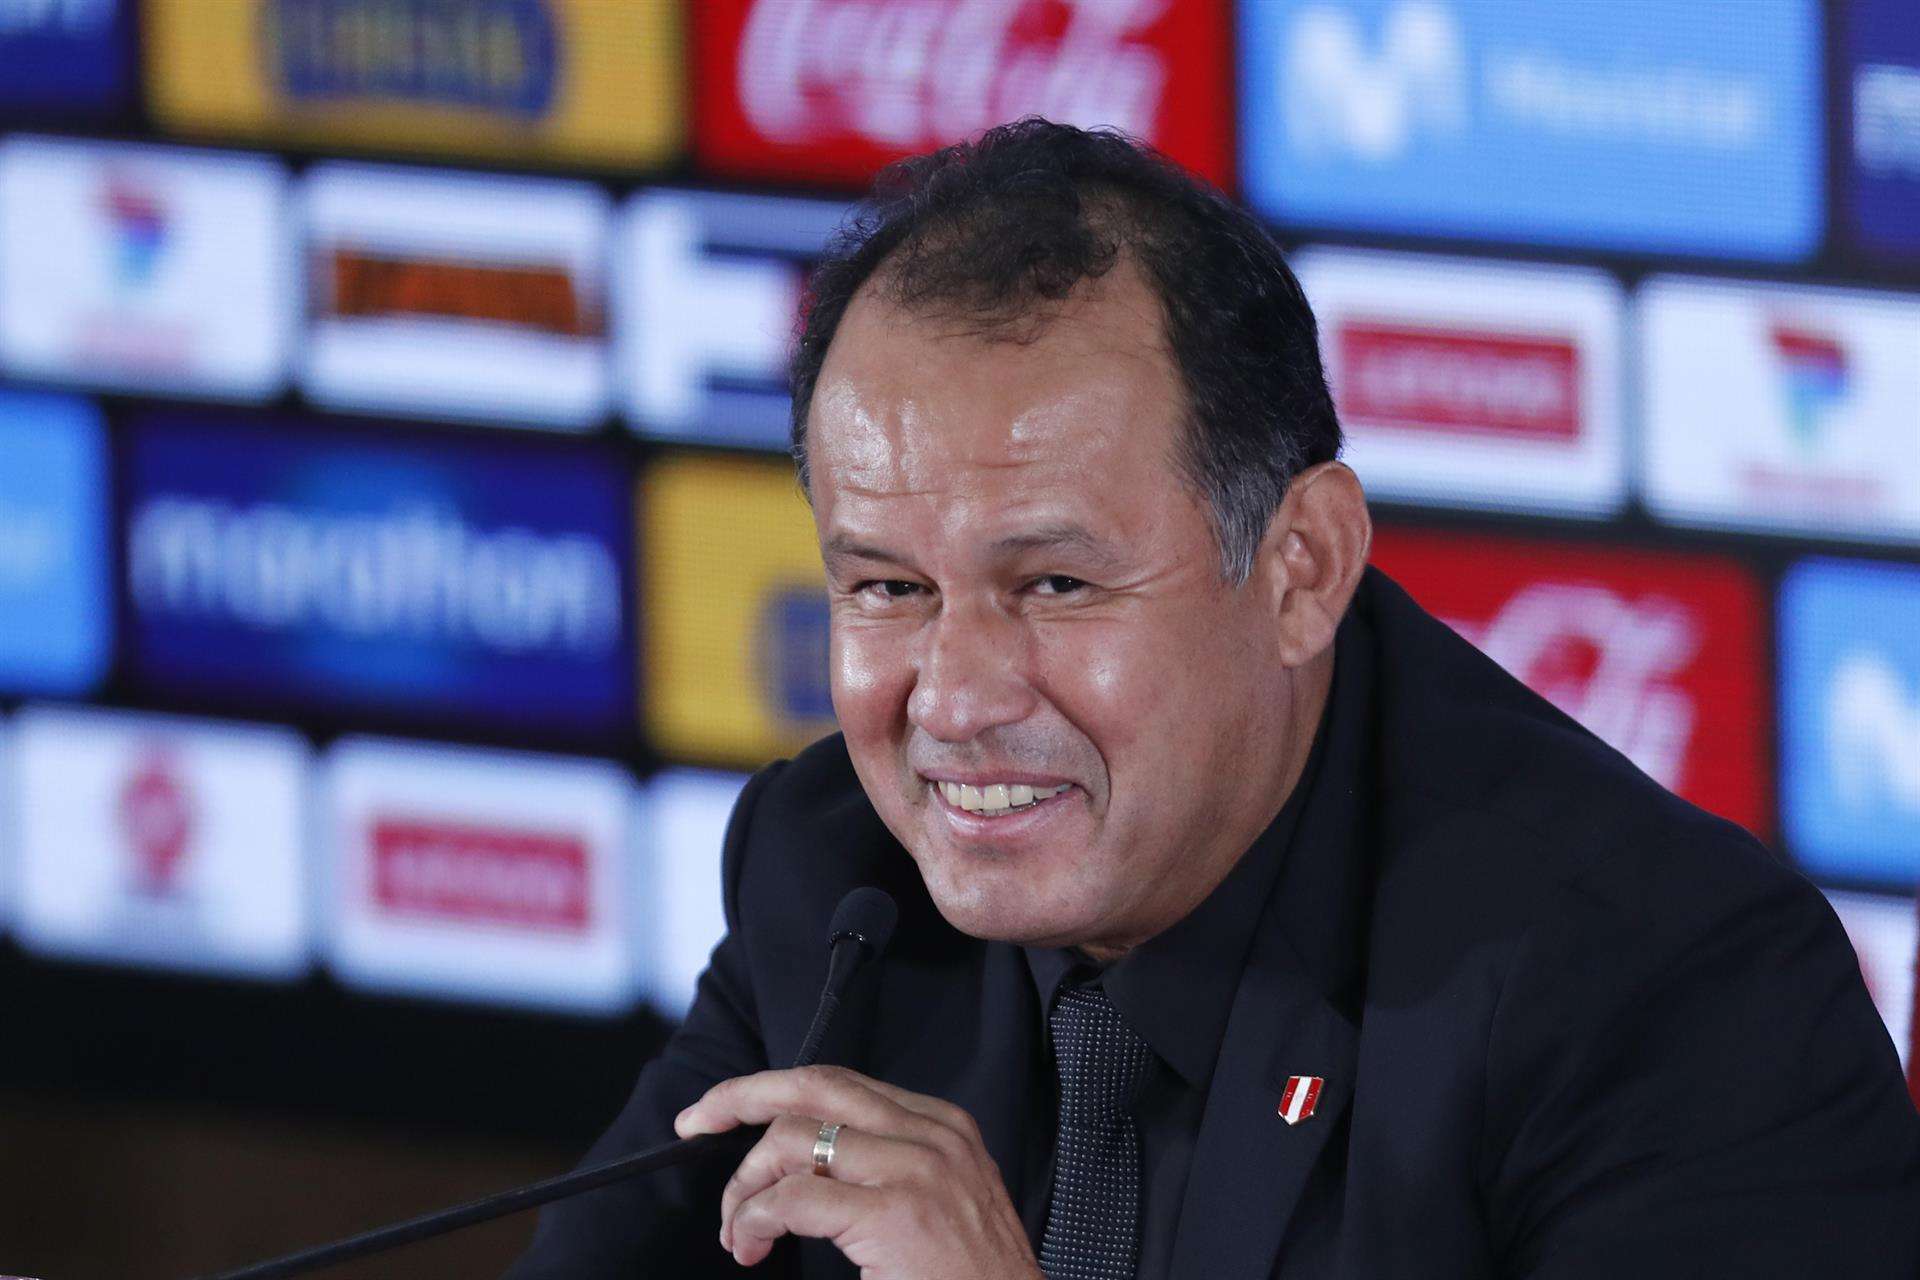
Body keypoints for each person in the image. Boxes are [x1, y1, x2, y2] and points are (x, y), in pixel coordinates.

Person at [505, 120, 1920, 1279]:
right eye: (887, 589)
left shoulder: (1663, 994)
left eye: (1054, 585)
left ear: (1301, 566)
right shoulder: (835, 881)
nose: (957, 697)